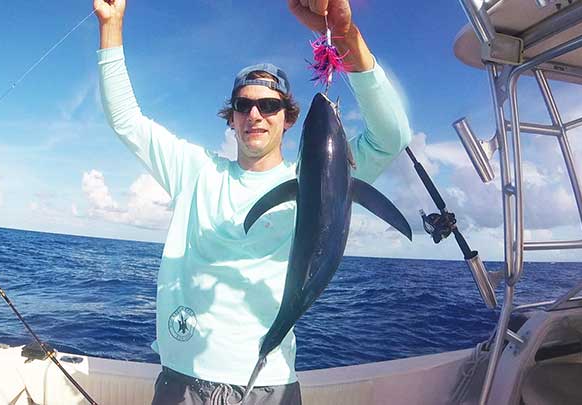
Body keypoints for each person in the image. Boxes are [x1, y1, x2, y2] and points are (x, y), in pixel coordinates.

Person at [93, 0, 411, 404]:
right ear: (231, 117)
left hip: (268, 386)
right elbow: (125, 119)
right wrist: (112, 24)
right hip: (181, 380)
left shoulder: (320, 179)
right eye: (243, 105)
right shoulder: (195, 171)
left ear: (288, 118)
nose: (255, 114)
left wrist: (347, 37)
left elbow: (392, 135)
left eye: (270, 105)